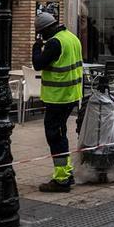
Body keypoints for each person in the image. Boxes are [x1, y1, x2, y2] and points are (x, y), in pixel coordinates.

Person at [32, 10, 84, 192]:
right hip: (71, 94)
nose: (41, 37)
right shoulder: (71, 37)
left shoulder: (55, 43)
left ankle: (62, 178)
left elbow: (38, 64)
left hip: (59, 96)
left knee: (55, 136)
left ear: (45, 30)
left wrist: (36, 47)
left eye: (41, 33)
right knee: (59, 133)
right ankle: (66, 173)